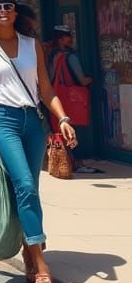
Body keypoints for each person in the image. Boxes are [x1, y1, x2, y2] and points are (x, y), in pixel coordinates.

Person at [0, 0, 78, 283]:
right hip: (3, 120)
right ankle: (42, 266)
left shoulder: (34, 45)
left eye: (7, 5)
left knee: (29, 188)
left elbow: (46, 88)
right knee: (25, 186)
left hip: (33, 121)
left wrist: (62, 118)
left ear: (16, 11)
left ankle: (29, 251)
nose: (2, 11)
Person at [48, 26, 99, 174]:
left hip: (55, 98)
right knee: (76, 131)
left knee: (59, 131)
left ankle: (65, 161)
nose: (70, 39)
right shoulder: (70, 57)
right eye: (67, 36)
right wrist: (92, 79)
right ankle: (79, 162)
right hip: (71, 100)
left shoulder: (51, 56)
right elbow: (82, 80)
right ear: (60, 39)